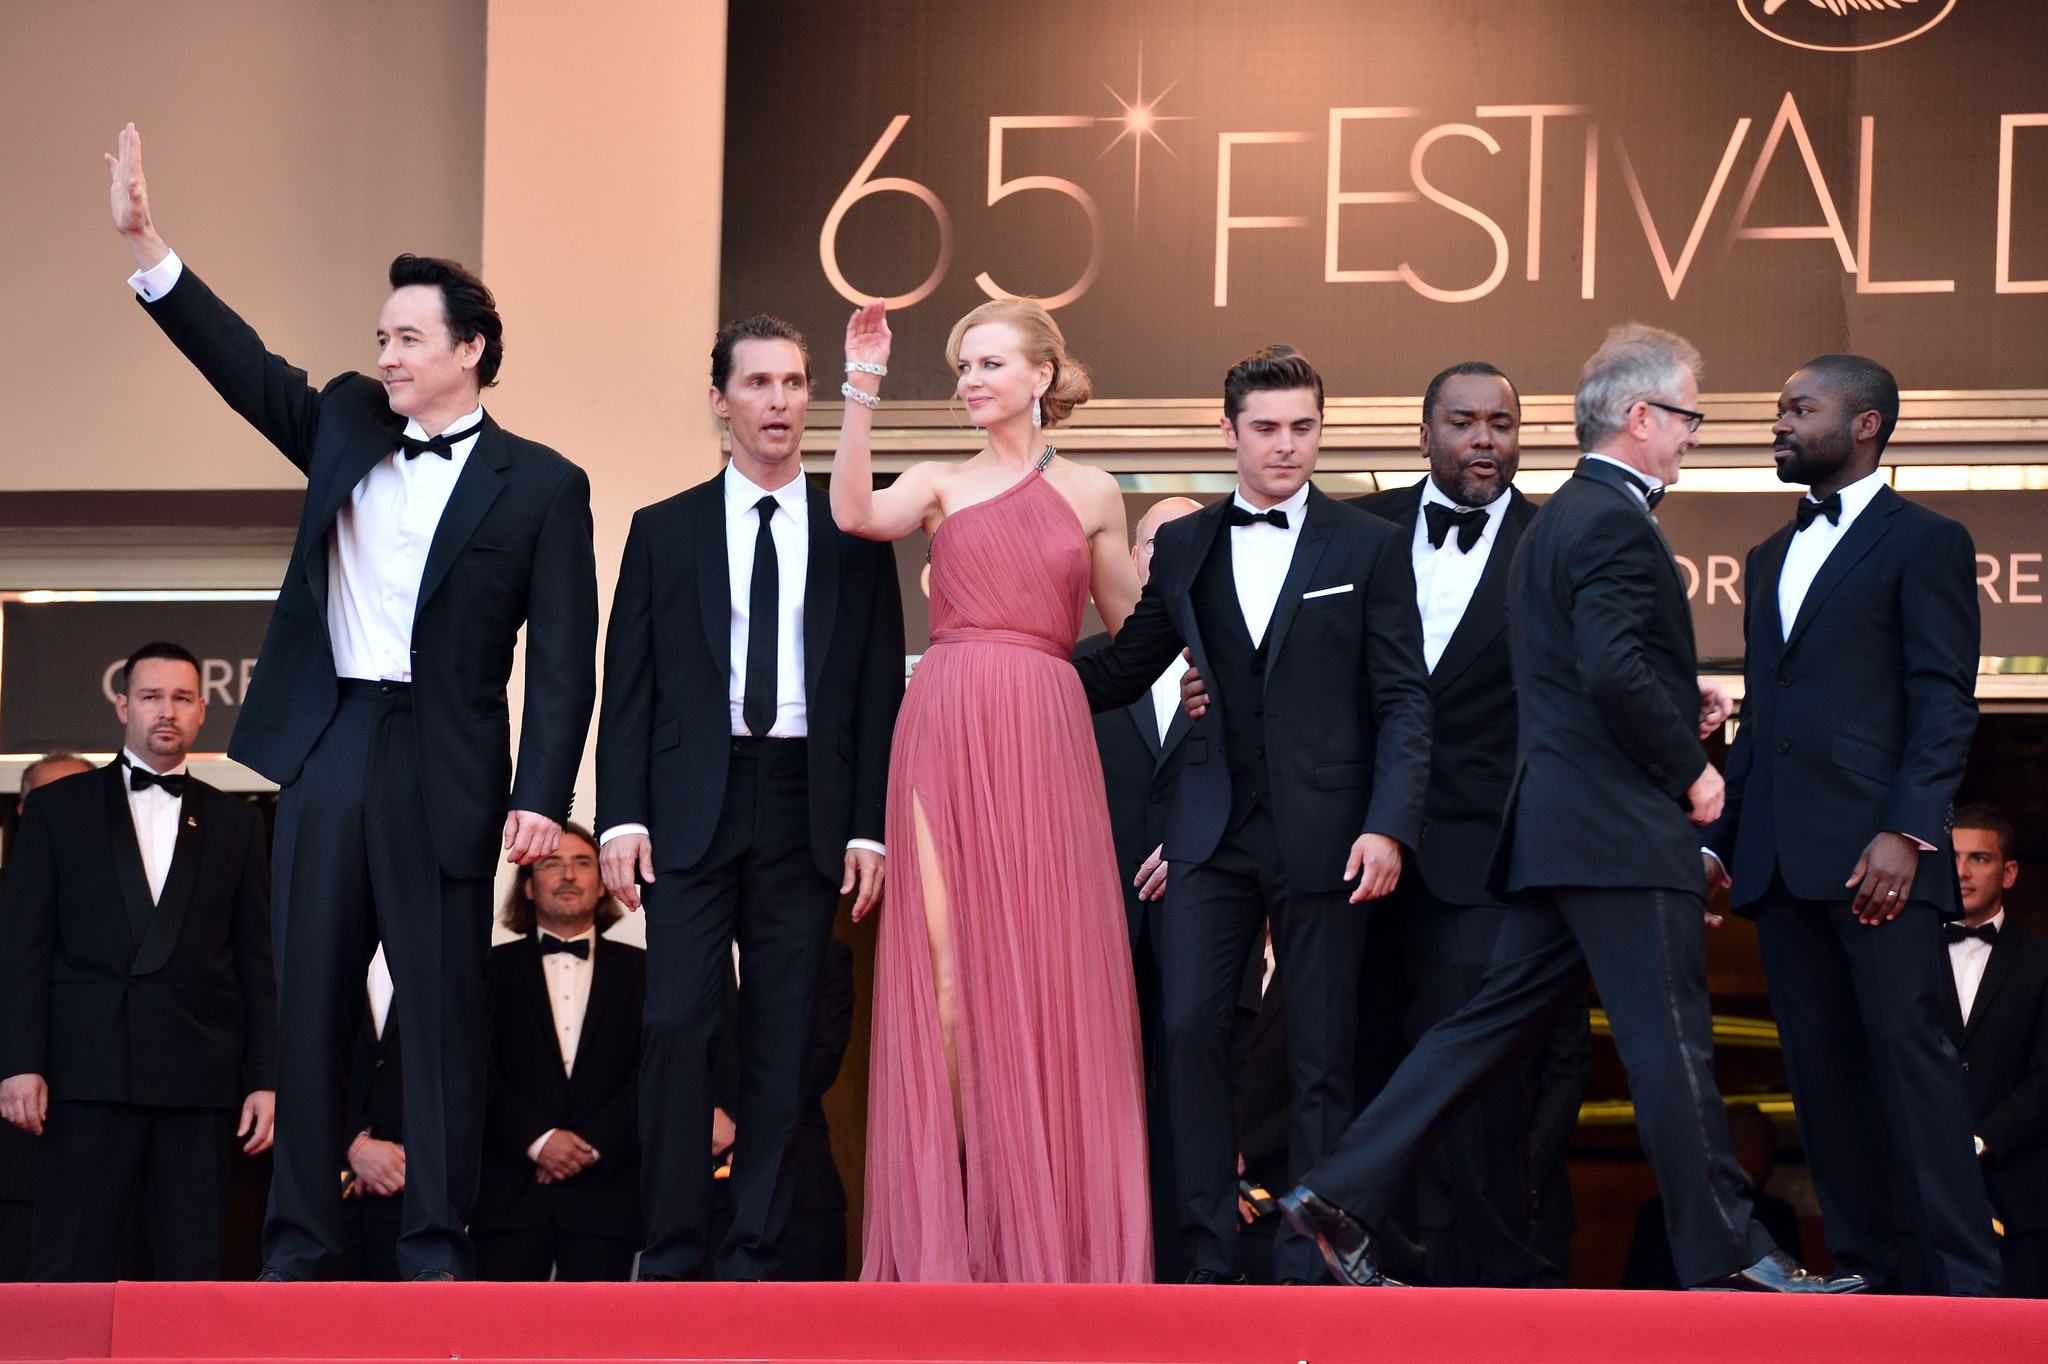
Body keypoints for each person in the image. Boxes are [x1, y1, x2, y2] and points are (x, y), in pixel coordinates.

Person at [105, 125, 599, 1282]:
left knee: (437, 1015)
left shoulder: (546, 484)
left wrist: (541, 797)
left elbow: (566, 657)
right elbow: (244, 366)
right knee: (309, 1002)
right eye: (381, 337)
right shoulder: (340, 420)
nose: (386, 354)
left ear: (470, 350)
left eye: (409, 338)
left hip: (449, 757)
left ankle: (434, 1240)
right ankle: (299, 1239)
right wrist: (148, 246)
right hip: (330, 745)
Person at [1274, 323, 1858, 1293]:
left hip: (1553, 832)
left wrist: (1681, 702)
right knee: (1670, 1049)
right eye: (1685, 417)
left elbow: (1575, 673)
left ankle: (1335, 1193)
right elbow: (1609, 667)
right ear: (1640, 417)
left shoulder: (1555, 522)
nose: (1692, 437)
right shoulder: (1613, 521)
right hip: (1619, 838)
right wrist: (1691, 769)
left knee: (1473, 1032)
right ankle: (1735, 1256)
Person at [1071, 345, 1433, 1284]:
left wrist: (1389, 823)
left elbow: (1403, 698)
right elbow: (1124, 669)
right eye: (1267, 428)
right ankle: (1198, 1260)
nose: (1286, 446)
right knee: (1190, 1029)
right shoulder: (1188, 545)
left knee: (1320, 1049)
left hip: (1329, 831)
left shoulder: (1369, 546)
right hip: (1208, 828)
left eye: (1304, 428)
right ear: (1228, 432)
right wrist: (997, 667)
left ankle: (1305, 1263)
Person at [832, 297, 1151, 1283]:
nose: (969, 379)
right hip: (944, 718)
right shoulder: (932, 481)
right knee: (942, 983)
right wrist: (860, 386)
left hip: (1045, 726)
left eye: (987, 363)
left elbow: (1130, 628)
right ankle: (954, 1229)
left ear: (1039, 377)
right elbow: (852, 512)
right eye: (961, 365)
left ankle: (1041, 1229)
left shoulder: (1096, 490)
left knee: (1043, 975)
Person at [596, 315, 901, 1281]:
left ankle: (754, 1253)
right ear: (720, 399)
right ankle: (674, 1246)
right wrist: (621, 815)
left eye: (795, 383)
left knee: (782, 1036)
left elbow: (874, 690)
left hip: (806, 795)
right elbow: (629, 682)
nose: (779, 401)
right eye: (759, 383)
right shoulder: (664, 527)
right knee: (677, 1021)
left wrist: (870, 826)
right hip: (694, 795)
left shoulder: (854, 526)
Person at [1702, 355, 1999, 1297]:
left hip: (1883, 864)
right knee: (1821, 1085)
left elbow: (1944, 700)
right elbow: (1767, 722)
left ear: (1866, 425)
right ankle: (1866, 1269)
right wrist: (1720, 841)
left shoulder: (1928, 540)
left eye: (1800, 407)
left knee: (1914, 1073)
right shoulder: (1766, 557)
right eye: (1779, 407)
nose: (1778, 422)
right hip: (1784, 867)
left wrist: (1910, 832)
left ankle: (1966, 1279)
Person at [1355, 362, 1554, 1288]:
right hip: (1354, 847)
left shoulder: (1560, 539)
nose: (1486, 439)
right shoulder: (1358, 531)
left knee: (1474, 1083)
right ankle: (1359, 1263)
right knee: (1351, 1059)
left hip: (1488, 857)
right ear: (1423, 432)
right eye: (1466, 422)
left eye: (1502, 424)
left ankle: (1479, 1285)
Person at [0, 643, 276, 1281]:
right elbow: (24, 949)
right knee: (70, 1259)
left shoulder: (238, 823)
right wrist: (20, 1063)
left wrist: (265, 1077)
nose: (166, 712)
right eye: (151, 696)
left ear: (203, 711)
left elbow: (258, 962)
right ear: (122, 705)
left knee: (191, 1266)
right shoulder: (56, 809)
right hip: (84, 1073)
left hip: (197, 1075)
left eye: (181, 698)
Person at [1073, 494, 1202, 1283]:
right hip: (1090, 924)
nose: (1170, 559)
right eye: (1157, 543)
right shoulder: (1078, 664)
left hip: (1203, 926)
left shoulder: (1241, 662)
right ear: (1130, 559)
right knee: (1093, 1118)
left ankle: (1188, 1283)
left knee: (1188, 1118)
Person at [474, 826, 645, 1281]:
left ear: (605, 880)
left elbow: (652, 1073)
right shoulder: (485, 970)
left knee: (598, 1348)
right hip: (508, 1194)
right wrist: (539, 1140)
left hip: (607, 1196)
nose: (568, 875)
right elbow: (475, 1071)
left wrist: (592, 1145)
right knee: (500, 1347)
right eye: (551, 863)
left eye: (583, 862)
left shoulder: (646, 971)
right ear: (528, 887)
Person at [705, 936, 857, 1280]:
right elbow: (664, 1050)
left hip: (800, 1182)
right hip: (706, 1190)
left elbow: (822, 1056)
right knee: (708, 1329)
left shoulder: (827, 953)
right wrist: (708, 1112)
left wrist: (738, 1125)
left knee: (810, 1328)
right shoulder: (687, 947)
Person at [1942, 805, 2048, 1296]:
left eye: (1979, 858)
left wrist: (1983, 1139)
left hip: (2019, 1197)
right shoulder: (1901, 957)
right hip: (1913, 1200)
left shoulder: (2041, 962)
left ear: (2008, 872)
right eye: (1953, 856)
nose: (1961, 872)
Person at [0, 753, 94, 1281]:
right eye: (49, 805)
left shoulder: (146, 906)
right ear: (21, 813)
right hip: (12, 1164)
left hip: (106, 1166)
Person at [1623, 1104, 1803, 1290]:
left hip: (1664, 1316)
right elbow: (1793, 1293)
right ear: (1761, 1151)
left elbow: (1632, 1288)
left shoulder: (1656, 1210)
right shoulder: (1776, 1214)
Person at [340, 949, 404, 1281]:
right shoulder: (312, 944)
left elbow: (471, 1067)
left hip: (412, 1199)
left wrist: (403, 1159)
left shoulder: (450, 950)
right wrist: (353, 1143)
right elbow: (290, 1059)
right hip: (324, 1197)